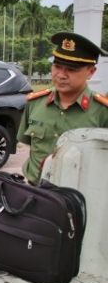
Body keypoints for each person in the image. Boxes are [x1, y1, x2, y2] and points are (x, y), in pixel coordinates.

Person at [17, 31, 108, 185]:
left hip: (79, 198)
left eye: (72, 70)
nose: (61, 75)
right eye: (57, 66)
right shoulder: (35, 103)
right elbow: (29, 146)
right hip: (35, 193)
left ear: (91, 72)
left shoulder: (102, 111)